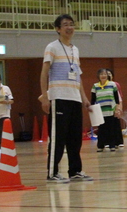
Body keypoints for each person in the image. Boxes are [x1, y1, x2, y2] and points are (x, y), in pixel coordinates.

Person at [39, 14, 94, 183]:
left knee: (75, 138)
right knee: (58, 137)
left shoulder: (75, 50)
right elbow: (44, 72)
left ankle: (75, 170)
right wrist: (45, 96)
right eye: (65, 25)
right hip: (59, 97)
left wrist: (84, 97)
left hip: (74, 98)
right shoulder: (52, 47)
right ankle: (52, 172)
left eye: (71, 24)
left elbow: (78, 76)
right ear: (58, 29)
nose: (69, 27)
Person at [91, 68, 121, 152]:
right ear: (98, 76)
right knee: (101, 129)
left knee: (111, 128)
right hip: (100, 111)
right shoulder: (95, 86)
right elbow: (93, 99)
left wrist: (117, 108)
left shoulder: (112, 85)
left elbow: (116, 98)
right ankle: (100, 146)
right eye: (101, 74)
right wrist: (92, 110)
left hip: (110, 110)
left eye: (105, 74)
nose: (103, 76)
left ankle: (112, 145)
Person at [107, 69, 125, 148]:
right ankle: (108, 142)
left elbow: (120, 97)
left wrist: (119, 108)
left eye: (110, 74)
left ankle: (119, 141)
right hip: (106, 108)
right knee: (107, 125)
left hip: (115, 106)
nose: (108, 75)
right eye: (107, 74)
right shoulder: (101, 85)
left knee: (116, 124)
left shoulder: (116, 84)